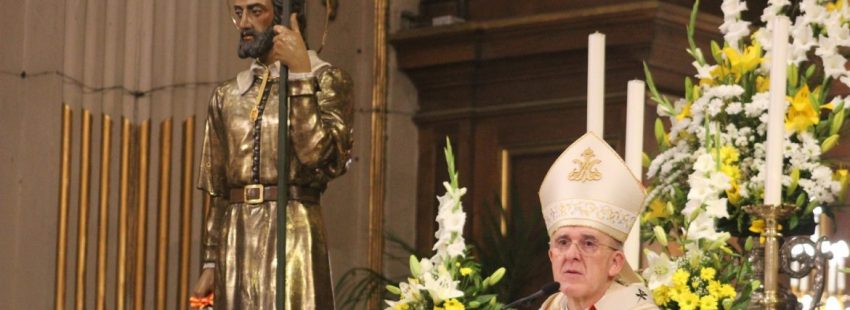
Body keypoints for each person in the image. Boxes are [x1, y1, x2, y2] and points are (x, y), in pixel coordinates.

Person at [191, 0, 353, 309]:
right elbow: (218, 188)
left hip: (293, 232)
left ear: (286, 17)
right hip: (236, 237)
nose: (244, 23)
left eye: (256, 11)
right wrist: (210, 262)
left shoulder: (327, 80)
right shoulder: (227, 96)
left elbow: (318, 156)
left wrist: (301, 77)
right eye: (238, 12)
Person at [537, 133, 657, 310]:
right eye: (562, 242)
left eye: (588, 243)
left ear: (615, 263)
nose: (571, 255)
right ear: (551, 256)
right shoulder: (551, 306)